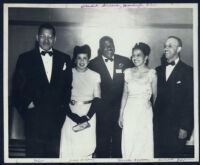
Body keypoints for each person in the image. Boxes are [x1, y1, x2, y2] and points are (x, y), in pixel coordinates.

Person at [12, 23, 72, 158]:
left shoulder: (64, 59)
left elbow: (68, 87)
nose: (46, 40)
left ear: (55, 39)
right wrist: (28, 107)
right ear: (37, 38)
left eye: (50, 37)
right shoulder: (25, 58)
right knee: (34, 156)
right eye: (43, 36)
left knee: (52, 157)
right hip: (34, 120)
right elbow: (17, 88)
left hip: (56, 120)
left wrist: (62, 110)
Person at [88, 36, 133, 158]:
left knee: (119, 145)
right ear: (100, 48)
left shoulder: (125, 61)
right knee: (102, 145)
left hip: (120, 112)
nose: (110, 47)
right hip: (102, 113)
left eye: (111, 44)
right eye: (106, 45)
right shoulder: (92, 64)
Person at [154, 36, 194, 158]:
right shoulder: (158, 70)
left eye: (170, 46)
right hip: (158, 127)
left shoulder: (188, 71)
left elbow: (190, 101)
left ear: (179, 49)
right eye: (165, 46)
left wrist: (185, 127)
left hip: (177, 128)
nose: (166, 48)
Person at [60, 45, 101, 158]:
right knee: (69, 147)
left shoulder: (95, 75)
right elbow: (62, 98)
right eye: (79, 58)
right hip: (70, 113)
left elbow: (97, 99)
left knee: (85, 147)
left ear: (89, 59)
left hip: (88, 114)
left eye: (85, 58)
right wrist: (73, 116)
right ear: (75, 59)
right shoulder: (68, 73)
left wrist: (87, 117)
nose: (82, 61)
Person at [118, 42, 157, 159]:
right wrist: (121, 115)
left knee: (143, 143)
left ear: (146, 57)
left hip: (144, 113)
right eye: (133, 55)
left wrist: (152, 112)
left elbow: (155, 96)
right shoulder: (128, 72)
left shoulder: (152, 74)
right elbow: (124, 95)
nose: (135, 58)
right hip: (129, 112)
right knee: (129, 142)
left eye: (138, 55)